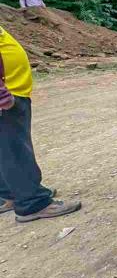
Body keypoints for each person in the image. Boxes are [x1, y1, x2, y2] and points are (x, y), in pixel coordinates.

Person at [0, 26, 81, 222]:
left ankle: (11, 194)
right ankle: (32, 203)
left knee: (6, 147)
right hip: (9, 93)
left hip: (12, 89)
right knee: (14, 148)